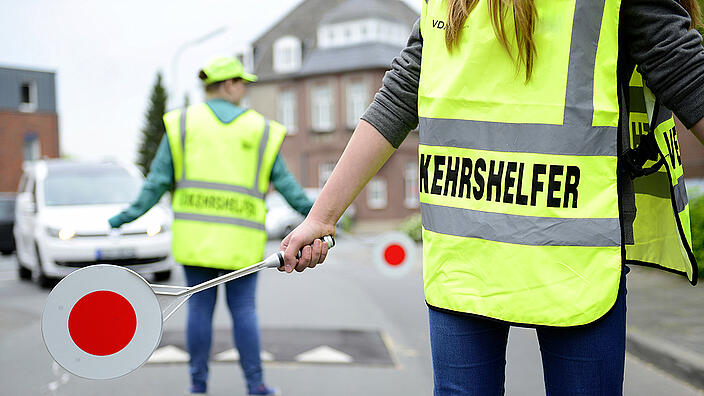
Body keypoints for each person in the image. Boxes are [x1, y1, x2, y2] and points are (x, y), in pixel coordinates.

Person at [280, 1, 704, 395]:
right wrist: (321, 216)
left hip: (501, 257)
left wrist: (322, 216)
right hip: (552, 256)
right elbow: (405, 87)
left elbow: (683, 67)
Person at [109, 56, 313, 396]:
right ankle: (257, 386)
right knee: (244, 310)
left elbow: (155, 184)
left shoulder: (182, 124)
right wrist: (322, 215)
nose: (244, 91)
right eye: (242, 84)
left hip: (196, 240)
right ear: (229, 84)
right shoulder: (260, 129)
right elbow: (289, 187)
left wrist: (122, 218)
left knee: (199, 311)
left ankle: (198, 386)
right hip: (243, 244)